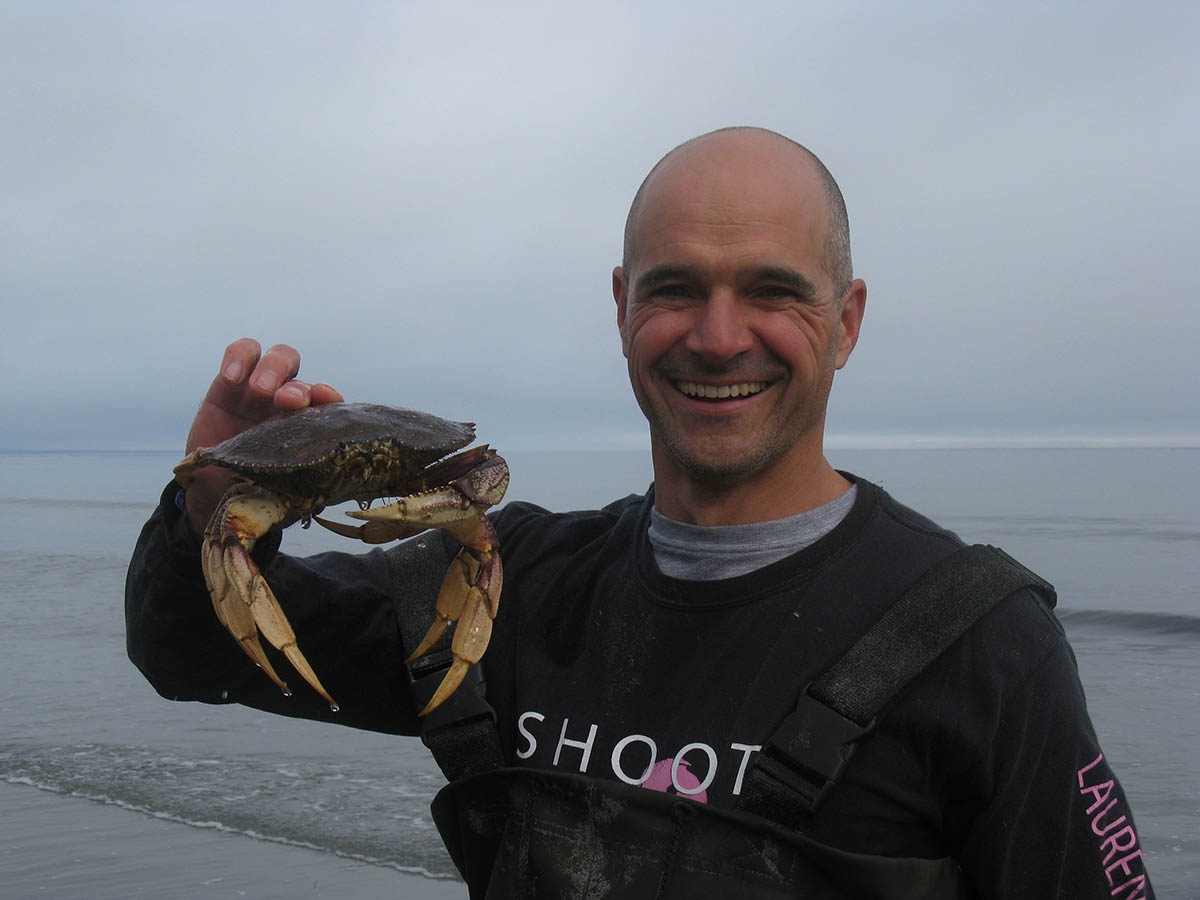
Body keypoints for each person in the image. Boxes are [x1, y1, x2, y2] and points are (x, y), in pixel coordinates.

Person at [126, 128, 1154, 898]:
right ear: (620, 307)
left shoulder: (983, 650)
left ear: (845, 322)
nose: (717, 336)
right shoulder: (499, 582)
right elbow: (189, 654)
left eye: (771, 291)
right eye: (676, 289)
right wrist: (210, 503)